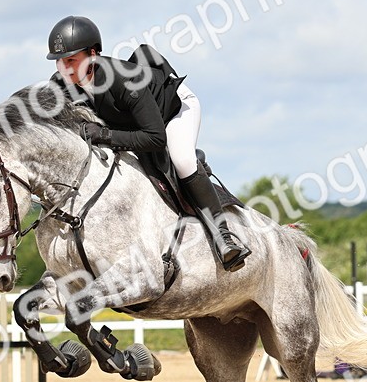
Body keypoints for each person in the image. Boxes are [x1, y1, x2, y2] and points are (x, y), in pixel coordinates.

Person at [46, 15, 251, 272]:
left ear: (93, 54)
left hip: (173, 110)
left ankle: (224, 236)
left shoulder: (124, 79)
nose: (64, 69)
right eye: (60, 62)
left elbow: (155, 138)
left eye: (71, 61)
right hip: (131, 123)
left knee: (182, 158)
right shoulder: (62, 86)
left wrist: (104, 136)